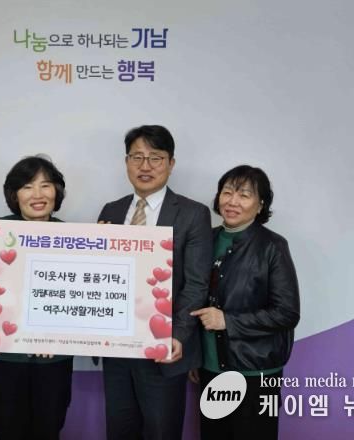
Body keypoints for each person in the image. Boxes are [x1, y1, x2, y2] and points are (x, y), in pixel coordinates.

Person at [97, 125, 213, 440]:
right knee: (119, 431)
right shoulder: (112, 210)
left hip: (164, 348)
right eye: (137, 157)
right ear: (126, 162)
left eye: (155, 158)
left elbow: (196, 284)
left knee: (162, 432)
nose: (145, 166)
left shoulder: (193, 214)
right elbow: (101, 278)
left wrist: (178, 334)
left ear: (171, 163)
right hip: (117, 348)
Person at [191, 165, 300, 440]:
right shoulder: (205, 239)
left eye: (244, 195)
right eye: (227, 192)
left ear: (261, 204)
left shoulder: (272, 246)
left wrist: (227, 321)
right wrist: (194, 356)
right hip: (211, 368)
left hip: (256, 371)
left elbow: (287, 312)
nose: (233, 201)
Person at [0, 155, 73, 440]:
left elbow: (79, 297)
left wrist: (104, 242)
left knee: (49, 428)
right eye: (27, 187)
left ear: (57, 191)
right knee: (7, 428)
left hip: (53, 358)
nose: (37, 194)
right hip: (6, 356)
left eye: (45, 185)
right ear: (14, 194)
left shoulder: (73, 235)